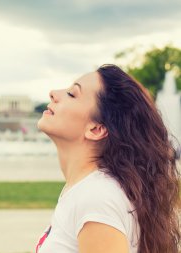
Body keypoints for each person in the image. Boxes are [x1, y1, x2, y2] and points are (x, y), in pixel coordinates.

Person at [35, 64, 180, 253]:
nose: (53, 93)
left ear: (96, 129)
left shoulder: (96, 198)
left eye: (72, 94)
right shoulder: (89, 190)